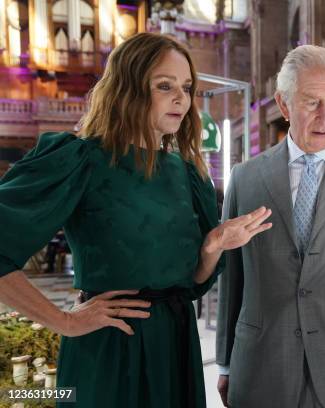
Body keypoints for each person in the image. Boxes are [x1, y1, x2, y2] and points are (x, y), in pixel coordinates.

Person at [0, 32, 272, 407]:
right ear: (128, 90)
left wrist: (211, 247)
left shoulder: (187, 173)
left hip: (177, 347)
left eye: (186, 87)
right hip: (111, 348)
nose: (181, 98)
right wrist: (64, 321)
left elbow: (189, 284)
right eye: (165, 86)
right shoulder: (81, 159)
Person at [215, 45, 325, 408]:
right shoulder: (246, 178)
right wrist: (225, 362)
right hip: (263, 367)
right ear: (284, 105)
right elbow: (233, 277)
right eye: (311, 102)